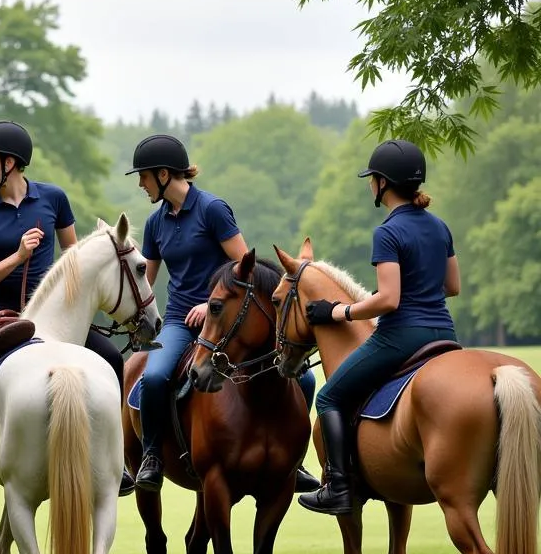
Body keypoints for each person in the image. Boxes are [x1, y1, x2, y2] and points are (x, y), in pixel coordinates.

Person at [0, 120, 131, 493]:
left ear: (11, 163)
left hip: (51, 310)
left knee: (113, 359)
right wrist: (17, 257)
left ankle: (116, 456)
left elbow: (74, 258)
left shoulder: (53, 199)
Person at [126, 133, 320, 493]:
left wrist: (209, 303)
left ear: (164, 174)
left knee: (305, 379)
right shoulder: (155, 224)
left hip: (224, 318)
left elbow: (244, 266)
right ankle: (152, 456)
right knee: (152, 379)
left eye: (144, 176)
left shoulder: (212, 210)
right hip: (179, 322)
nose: (141, 184)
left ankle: (295, 459)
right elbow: (148, 283)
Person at [299, 138, 461, 515]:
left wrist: (338, 312)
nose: (371, 184)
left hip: (401, 335)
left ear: (383, 183)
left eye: (372, 178)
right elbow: (452, 287)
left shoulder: (387, 232)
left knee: (327, 398)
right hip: (445, 335)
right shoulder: (439, 227)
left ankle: (338, 488)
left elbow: (388, 300)